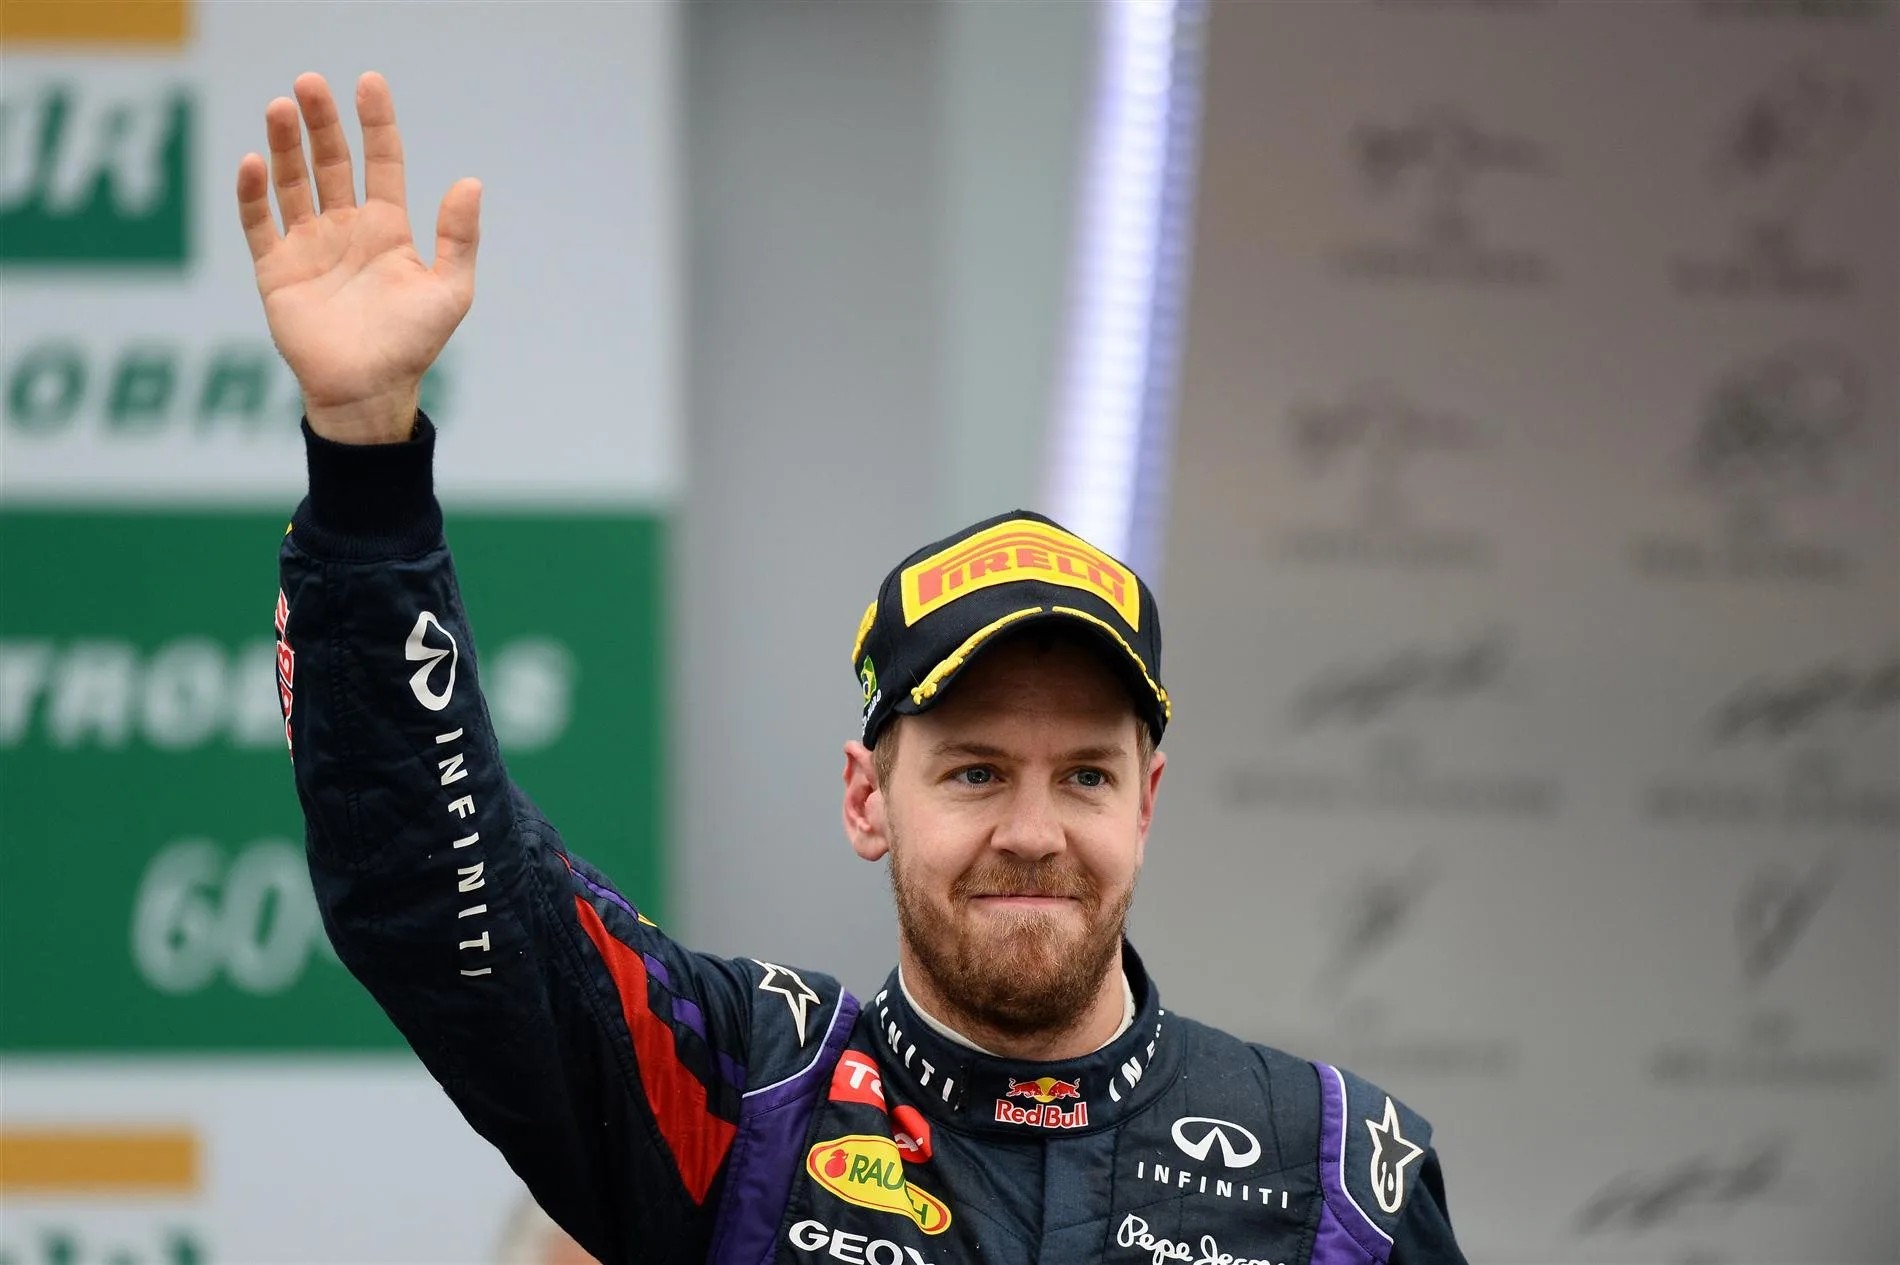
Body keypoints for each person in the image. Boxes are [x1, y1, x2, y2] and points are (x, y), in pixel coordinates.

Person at [241, 71, 1469, 1265]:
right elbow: (438, 894)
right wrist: (365, 461)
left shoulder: (1334, 1173)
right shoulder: (745, 1097)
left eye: (1085, 776)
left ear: (1148, 801)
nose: (1034, 830)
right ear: (866, 796)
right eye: (977, 770)